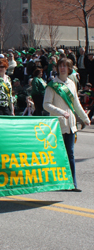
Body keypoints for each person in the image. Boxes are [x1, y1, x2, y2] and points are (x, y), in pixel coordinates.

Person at [43, 58, 90, 192]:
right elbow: (46, 105)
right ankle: (55, 182)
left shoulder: (71, 84)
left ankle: (72, 183)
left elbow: (76, 104)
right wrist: (60, 112)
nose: (63, 68)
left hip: (70, 125)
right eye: (60, 66)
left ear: (69, 68)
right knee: (57, 154)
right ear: (57, 68)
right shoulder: (52, 85)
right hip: (57, 125)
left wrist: (85, 118)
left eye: (65, 66)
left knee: (70, 154)